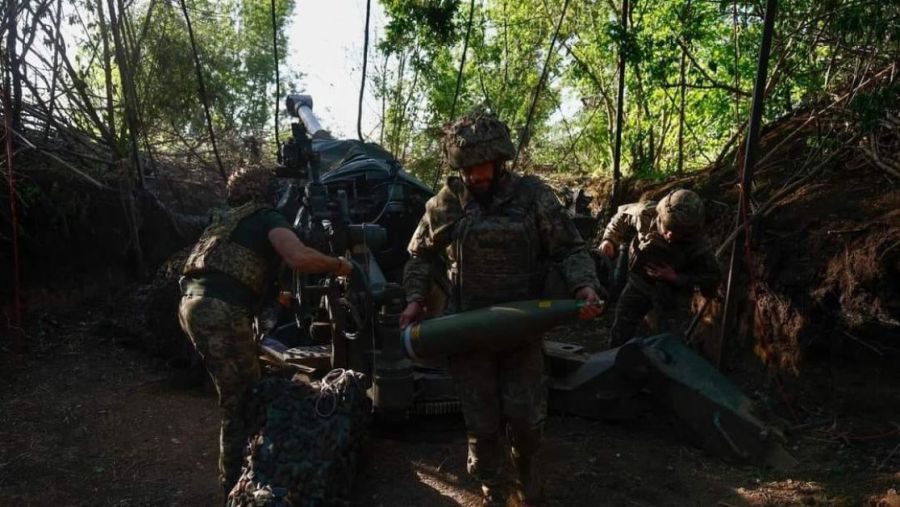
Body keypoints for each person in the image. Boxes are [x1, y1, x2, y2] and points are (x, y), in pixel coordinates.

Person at [400, 107, 602, 506]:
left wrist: (585, 286)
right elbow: (421, 257)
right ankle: (493, 488)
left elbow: (569, 248)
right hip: (468, 330)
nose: (478, 175)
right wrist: (415, 299)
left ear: (500, 160)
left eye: (485, 166)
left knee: (526, 421)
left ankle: (526, 469)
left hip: (521, 328)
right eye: (469, 168)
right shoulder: (446, 203)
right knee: (482, 424)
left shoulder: (533, 197)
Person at [177, 164, 353, 497]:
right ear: (268, 192)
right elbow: (298, 257)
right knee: (241, 400)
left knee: (245, 383)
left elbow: (255, 274)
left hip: (191, 304)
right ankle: (235, 486)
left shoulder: (227, 220)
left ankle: (242, 471)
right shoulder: (265, 217)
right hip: (219, 310)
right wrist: (339, 265)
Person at [598, 188, 721, 348]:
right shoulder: (645, 215)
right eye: (667, 228)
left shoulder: (699, 247)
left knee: (670, 344)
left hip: (672, 296)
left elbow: (712, 279)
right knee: (620, 332)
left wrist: (676, 278)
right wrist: (609, 239)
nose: (670, 235)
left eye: (679, 233)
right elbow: (621, 217)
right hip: (638, 285)